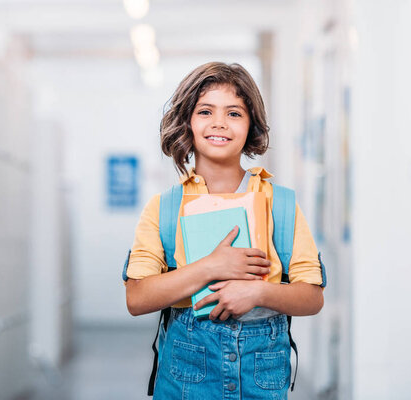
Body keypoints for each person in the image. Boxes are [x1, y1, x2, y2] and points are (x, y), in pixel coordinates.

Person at [124, 62, 325, 399]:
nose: (219, 123)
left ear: (251, 126)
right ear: (187, 122)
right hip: (186, 378)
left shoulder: (281, 205)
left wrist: (258, 294)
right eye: (205, 111)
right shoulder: (164, 208)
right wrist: (211, 267)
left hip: (261, 378)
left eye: (234, 113)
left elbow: (312, 297)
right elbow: (137, 299)